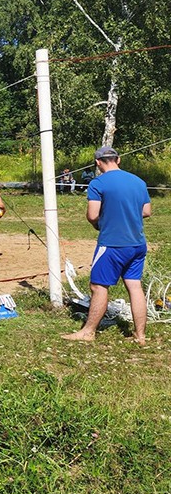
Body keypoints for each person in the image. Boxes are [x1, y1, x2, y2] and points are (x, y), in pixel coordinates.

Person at [62, 146, 151, 345]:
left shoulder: (98, 183)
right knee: (134, 286)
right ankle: (140, 335)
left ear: (98, 162)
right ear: (118, 160)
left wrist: (99, 222)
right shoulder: (138, 181)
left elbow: (92, 215)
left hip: (112, 244)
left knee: (98, 286)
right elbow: (146, 211)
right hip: (137, 243)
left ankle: (88, 331)